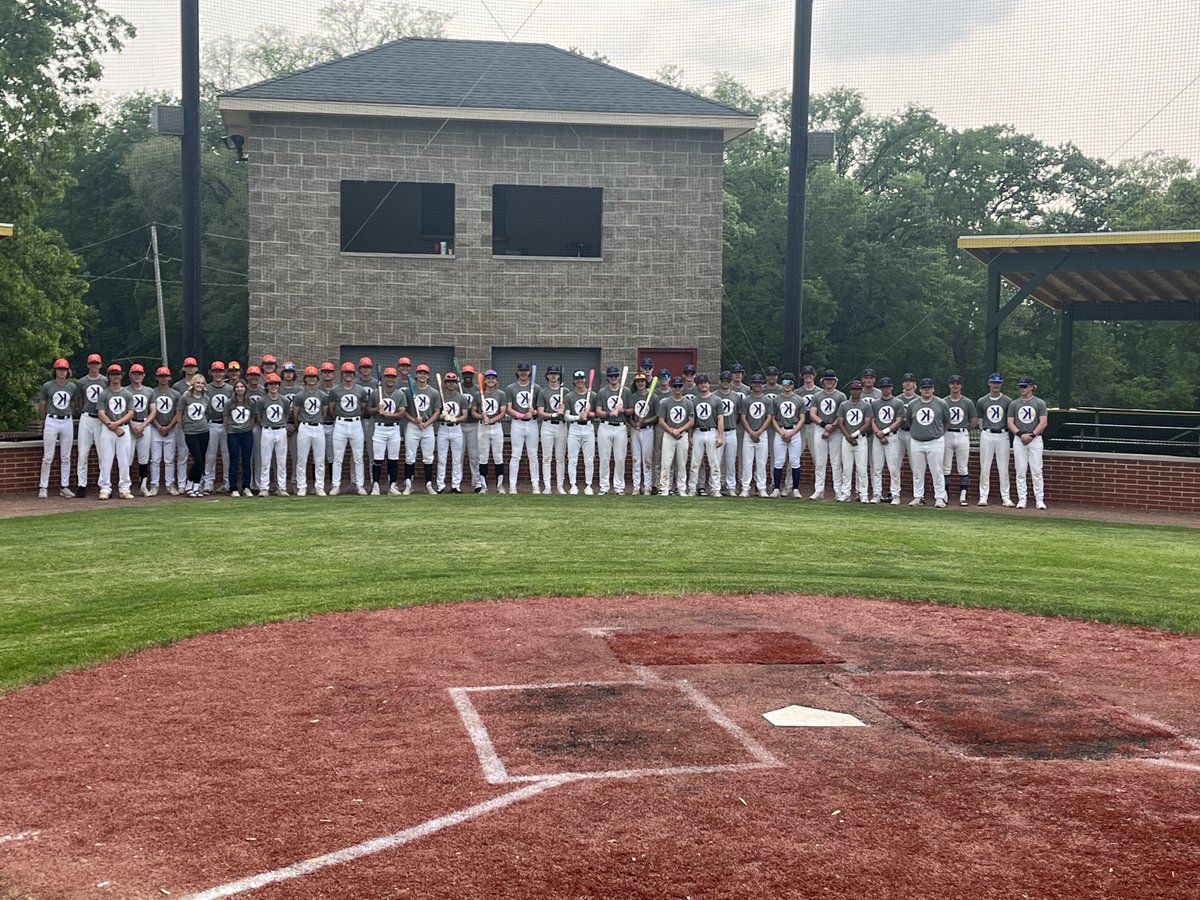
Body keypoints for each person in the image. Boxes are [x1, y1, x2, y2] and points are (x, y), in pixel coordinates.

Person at [906, 377, 951, 508]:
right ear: (919, 389)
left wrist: (939, 433)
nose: (927, 390)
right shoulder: (913, 404)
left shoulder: (941, 403)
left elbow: (946, 421)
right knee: (918, 471)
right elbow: (909, 421)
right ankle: (918, 496)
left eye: (929, 388)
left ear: (933, 389)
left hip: (935, 440)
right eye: (924, 388)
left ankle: (940, 498)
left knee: (937, 470)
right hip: (916, 440)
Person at [328, 361, 370, 496]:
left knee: (358, 457)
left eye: (350, 373)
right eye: (346, 373)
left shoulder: (360, 390)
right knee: (338, 457)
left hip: (356, 423)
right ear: (342, 374)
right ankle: (336, 485)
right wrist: (340, 418)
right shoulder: (335, 390)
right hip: (340, 423)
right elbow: (331, 409)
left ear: (354, 374)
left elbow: (363, 408)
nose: (348, 375)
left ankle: (360, 485)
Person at [95, 363, 136, 500]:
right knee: (106, 459)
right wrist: (111, 425)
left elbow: (131, 413)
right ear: (108, 376)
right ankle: (105, 488)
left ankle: (124, 488)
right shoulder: (104, 394)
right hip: (107, 428)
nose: (115, 376)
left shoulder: (127, 393)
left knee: (124, 460)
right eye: (113, 374)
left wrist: (117, 425)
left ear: (122, 375)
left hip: (123, 428)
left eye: (118, 374)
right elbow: (101, 413)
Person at [37, 358, 76, 499]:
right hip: (52, 419)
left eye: (64, 370)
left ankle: (64, 486)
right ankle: (43, 486)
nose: (61, 372)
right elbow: (42, 405)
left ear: (67, 372)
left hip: (66, 420)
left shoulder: (72, 387)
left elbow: (72, 404)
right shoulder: (47, 386)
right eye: (59, 369)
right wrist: (44, 420)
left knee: (66, 456)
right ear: (55, 371)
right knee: (48, 456)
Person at [1008, 376, 1048, 510]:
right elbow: (1010, 422)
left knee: (1036, 470)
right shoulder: (1014, 404)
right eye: (1020, 386)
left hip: (1035, 439)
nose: (1022, 389)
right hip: (1019, 439)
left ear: (1031, 387)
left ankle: (1039, 499)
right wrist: (1020, 434)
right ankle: (1022, 498)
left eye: (1024, 386)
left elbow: (1043, 422)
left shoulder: (1039, 403)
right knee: (1020, 470)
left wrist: (1032, 435)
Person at [976, 373, 1014, 507]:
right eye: (993, 382)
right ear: (989, 383)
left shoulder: (1007, 401)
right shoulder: (982, 401)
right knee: (985, 467)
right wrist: (985, 430)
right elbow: (979, 421)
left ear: (1001, 384)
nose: (996, 385)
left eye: (998, 383)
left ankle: (1006, 497)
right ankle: (983, 496)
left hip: (1002, 434)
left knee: (1003, 467)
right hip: (987, 433)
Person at [73, 352, 106, 498]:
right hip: (86, 417)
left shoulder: (105, 381)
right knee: (83, 452)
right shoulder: (81, 382)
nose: (94, 366)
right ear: (88, 365)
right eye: (92, 363)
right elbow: (79, 402)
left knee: (102, 453)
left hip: (100, 418)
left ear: (100, 365)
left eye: (96, 363)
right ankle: (81, 485)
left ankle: (103, 485)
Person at [809, 370, 846, 500]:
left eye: (831, 380)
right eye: (827, 380)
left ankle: (838, 490)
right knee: (820, 461)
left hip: (836, 431)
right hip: (820, 429)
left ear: (835, 381)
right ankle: (819, 490)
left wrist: (831, 428)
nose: (829, 382)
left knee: (836, 462)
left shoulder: (841, 396)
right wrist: (824, 425)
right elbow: (813, 414)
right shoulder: (817, 396)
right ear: (823, 381)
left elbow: (842, 415)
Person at [404, 363, 440, 494]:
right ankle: (408, 484)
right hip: (413, 427)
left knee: (428, 457)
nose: (422, 375)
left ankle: (429, 484)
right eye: (420, 373)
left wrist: (427, 423)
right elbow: (404, 411)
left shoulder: (433, 392)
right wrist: (414, 419)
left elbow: (437, 411)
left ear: (428, 376)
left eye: (424, 373)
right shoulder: (408, 391)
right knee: (409, 456)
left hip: (428, 427)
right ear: (416, 375)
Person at [942, 375, 978, 507]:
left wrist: (966, 429)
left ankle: (963, 494)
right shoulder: (944, 401)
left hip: (962, 434)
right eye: (953, 383)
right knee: (946, 466)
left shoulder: (967, 402)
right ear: (949, 385)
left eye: (957, 383)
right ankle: (945, 493)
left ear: (961, 385)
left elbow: (974, 420)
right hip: (948, 434)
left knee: (962, 466)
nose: (955, 386)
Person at [293, 365, 329, 497]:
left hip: (318, 426)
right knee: (302, 459)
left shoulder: (322, 395)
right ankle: (302, 486)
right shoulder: (300, 395)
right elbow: (295, 414)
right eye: (309, 377)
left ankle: (319, 486)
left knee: (319, 459)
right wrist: (301, 425)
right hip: (304, 426)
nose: (311, 379)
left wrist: (318, 421)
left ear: (317, 378)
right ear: (305, 379)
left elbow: (324, 413)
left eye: (314, 377)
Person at [595, 366, 631, 495]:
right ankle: (604, 487)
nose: (614, 378)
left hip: (621, 427)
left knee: (620, 458)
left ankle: (619, 487)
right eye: (611, 376)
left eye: (616, 376)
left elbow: (632, 410)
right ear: (607, 378)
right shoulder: (602, 392)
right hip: (605, 426)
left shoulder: (626, 391)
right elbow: (598, 411)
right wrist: (610, 413)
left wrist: (622, 410)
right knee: (604, 458)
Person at [506, 362, 541, 494]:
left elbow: (541, 409)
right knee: (515, 455)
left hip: (532, 424)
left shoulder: (536, 388)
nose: (523, 373)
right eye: (521, 371)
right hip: (517, 423)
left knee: (533, 455)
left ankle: (535, 485)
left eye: (526, 371)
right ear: (517, 372)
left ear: (529, 372)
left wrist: (534, 412)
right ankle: (512, 485)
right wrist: (522, 415)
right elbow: (509, 409)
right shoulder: (511, 388)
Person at [870, 377, 905, 505]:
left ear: (891, 388)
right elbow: (872, 420)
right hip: (877, 436)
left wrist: (884, 432)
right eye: (883, 387)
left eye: (888, 387)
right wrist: (878, 433)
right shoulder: (874, 403)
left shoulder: (898, 402)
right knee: (877, 467)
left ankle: (895, 494)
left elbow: (899, 420)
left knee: (893, 468)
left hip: (892, 437)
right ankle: (877, 493)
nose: (886, 389)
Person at [836, 380, 873, 503]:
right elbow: (840, 422)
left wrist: (855, 435)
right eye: (853, 389)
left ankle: (864, 494)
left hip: (861, 440)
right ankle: (845, 493)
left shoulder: (866, 406)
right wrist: (848, 436)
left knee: (862, 468)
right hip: (846, 439)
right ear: (850, 391)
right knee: (846, 468)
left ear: (861, 390)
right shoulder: (844, 405)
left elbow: (867, 423)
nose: (855, 391)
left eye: (858, 389)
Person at [657, 376, 694, 496]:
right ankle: (664, 488)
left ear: (682, 387)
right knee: (666, 463)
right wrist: (671, 431)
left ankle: (681, 488)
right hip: (668, 435)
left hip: (682, 435)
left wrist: (679, 430)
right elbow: (661, 420)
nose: (677, 388)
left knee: (682, 463)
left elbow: (691, 421)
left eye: (679, 386)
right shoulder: (665, 402)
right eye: (675, 386)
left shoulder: (688, 403)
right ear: (671, 387)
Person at [768, 373, 804, 498]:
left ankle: (795, 489)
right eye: (785, 382)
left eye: (790, 383)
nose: (787, 385)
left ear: (793, 385)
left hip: (794, 431)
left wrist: (792, 433)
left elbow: (802, 418)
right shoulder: (776, 399)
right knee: (778, 461)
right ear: (781, 383)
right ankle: (776, 488)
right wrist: (781, 432)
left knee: (795, 461)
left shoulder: (799, 400)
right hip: (781, 431)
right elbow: (772, 418)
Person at [370, 366, 404, 495]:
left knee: (393, 459)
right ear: (384, 378)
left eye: (393, 377)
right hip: (379, 428)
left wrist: (388, 414)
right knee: (378, 459)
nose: (390, 379)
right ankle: (376, 485)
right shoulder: (375, 393)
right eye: (388, 377)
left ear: (396, 379)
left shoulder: (399, 394)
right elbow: (367, 410)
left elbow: (401, 413)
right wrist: (376, 410)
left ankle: (392, 486)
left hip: (394, 428)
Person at [687, 374, 723, 497]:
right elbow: (691, 421)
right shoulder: (693, 401)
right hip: (698, 432)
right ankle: (692, 488)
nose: (704, 385)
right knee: (695, 463)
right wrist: (690, 436)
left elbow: (720, 419)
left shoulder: (716, 400)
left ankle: (715, 489)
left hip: (712, 431)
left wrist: (720, 436)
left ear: (709, 384)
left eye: (705, 382)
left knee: (714, 463)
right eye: (701, 383)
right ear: (697, 385)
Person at [739, 374, 773, 498]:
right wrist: (751, 432)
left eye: (759, 383)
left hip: (762, 434)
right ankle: (745, 488)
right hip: (748, 434)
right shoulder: (746, 400)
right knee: (747, 462)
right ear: (751, 384)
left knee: (761, 462)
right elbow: (743, 417)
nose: (757, 385)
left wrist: (759, 432)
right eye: (755, 383)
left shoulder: (767, 400)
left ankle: (762, 488)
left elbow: (769, 417)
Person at [148, 366, 180, 496]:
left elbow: (177, 413)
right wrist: (159, 426)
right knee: (155, 459)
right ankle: (154, 484)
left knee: (169, 459)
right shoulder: (152, 393)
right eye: (161, 376)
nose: (163, 378)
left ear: (169, 377)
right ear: (157, 378)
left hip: (171, 428)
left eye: (165, 376)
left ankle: (170, 484)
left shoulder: (175, 394)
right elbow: (150, 412)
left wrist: (168, 427)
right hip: (155, 427)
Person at [474, 369, 508, 493]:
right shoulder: (478, 394)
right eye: (488, 378)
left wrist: (492, 420)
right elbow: (473, 412)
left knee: (498, 456)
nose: (490, 380)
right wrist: (482, 416)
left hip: (496, 427)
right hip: (482, 427)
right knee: (483, 457)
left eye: (493, 378)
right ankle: (484, 486)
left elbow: (503, 412)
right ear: (485, 381)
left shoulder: (501, 394)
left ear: (496, 380)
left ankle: (499, 486)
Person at [257, 372, 291, 497]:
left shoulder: (284, 400)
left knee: (281, 461)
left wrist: (282, 424)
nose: (273, 386)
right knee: (265, 461)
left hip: (281, 430)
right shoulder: (262, 400)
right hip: (267, 430)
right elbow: (258, 416)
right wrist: (265, 424)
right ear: (267, 386)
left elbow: (287, 415)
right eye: (271, 384)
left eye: (276, 384)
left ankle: (282, 487)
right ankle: (264, 488)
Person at [435, 371, 469, 493]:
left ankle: (456, 485)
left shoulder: (461, 398)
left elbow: (464, 416)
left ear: (456, 383)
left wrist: (454, 418)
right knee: (442, 458)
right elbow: (435, 415)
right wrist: (441, 416)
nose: (451, 384)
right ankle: (440, 485)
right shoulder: (440, 396)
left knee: (457, 459)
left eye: (453, 382)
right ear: (444, 383)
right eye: (448, 381)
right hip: (443, 428)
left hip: (456, 429)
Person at [537, 365, 568, 495]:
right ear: (547, 376)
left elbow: (569, 411)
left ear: (559, 376)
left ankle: (560, 486)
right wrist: (554, 414)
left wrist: (563, 411)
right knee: (546, 457)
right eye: (551, 374)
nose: (554, 376)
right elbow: (540, 413)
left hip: (561, 426)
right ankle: (548, 486)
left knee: (560, 457)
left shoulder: (565, 391)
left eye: (556, 374)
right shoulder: (543, 392)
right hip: (547, 425)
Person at [564, 370, 596, 495]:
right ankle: (573, 485)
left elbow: (597, 413)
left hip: (588, 428)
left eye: (582, 378)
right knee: (572, 459)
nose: (580, 381)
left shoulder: (592, 395)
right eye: (577, 379)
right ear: (573, 381)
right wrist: (578, 417)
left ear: (585, 380)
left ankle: (588, 485)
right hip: (574, 428)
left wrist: (589, 414)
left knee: (589, 459)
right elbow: (566, 416)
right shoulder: (569, 396)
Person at [202, 361, 232, 493]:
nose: (218, 374)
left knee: (227, 455)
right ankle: (208, 482)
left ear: (224, 372)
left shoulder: (230, 389)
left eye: (220, 371)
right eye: (215, 371)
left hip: (226, 425)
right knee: (210, 455)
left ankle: (227, 482)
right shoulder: (206, 389)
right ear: (211, 373)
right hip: (212, 423)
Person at [126, 364, 156, 496]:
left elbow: (153, 411)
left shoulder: (149, 391)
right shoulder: (125, 391)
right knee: (127, 457)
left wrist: (143, 425)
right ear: (130, 375)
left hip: (144, 425)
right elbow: (123, 411)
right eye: (134, 373)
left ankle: (143, 485)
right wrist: (132, 425)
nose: (137, 376)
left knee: (144, 457)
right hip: (129, 426)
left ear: (143, 375)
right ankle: (126, 485)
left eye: (139, 374)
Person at [223, 379, 256, 497]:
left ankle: (246, 486)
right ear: (234, 389)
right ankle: (233, 487)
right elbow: (225, 418)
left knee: (246, 460)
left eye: (242, 387)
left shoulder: (250, 402)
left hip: (246, 433)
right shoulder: (229, 402)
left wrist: (248, 428)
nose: (240, 389)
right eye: (237, 387)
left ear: (245, 389)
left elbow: (252, 418)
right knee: (234, 460)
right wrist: (231, 429)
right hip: (233, 434)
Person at [171, 357, 199, 492]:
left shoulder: (200, 384)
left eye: (193, 366)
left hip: (198, 425)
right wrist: (180, 424)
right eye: (188, 366)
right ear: (183, 368)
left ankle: (197, 482)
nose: (190, 369)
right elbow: (176, 409)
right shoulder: (178, 386)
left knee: (198, 456)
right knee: (182, 454)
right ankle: (181, 484)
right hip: (183, 424)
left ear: (197, 368)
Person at [180, 374, 211, 497]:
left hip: (203, 431)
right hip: (190, 432)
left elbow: (207, 414)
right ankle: (189, 484)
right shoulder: (185, 397)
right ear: (193, 384)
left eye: (202, 383)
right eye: (198, 383)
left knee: (202, 459)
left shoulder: (206, 398)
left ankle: (196, 487)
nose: (200, 385)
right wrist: (184, 426)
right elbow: (179, 413)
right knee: (197, 459)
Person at [627, 370, 657, 495]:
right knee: (636, 459)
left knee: (647, 459)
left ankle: (647, 486)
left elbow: (657, 416)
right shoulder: (632, 396)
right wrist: (634, 424)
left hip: (648, 430)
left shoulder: (653, 397)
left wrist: (645, 421)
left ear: (646, 383)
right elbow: (628, 415)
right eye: (638, 382)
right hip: (635, 430)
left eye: (642, 381)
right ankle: (636, 486)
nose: (640, 384)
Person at [715, 371, 740, 497]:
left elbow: (739, 414)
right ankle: (717, 486)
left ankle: (731, 487)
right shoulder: (714, 396)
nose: (726, 383)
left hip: (731, 430)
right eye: (723, 380)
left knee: (731, 461)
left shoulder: (736, 396)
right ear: (719, 381)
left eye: (728, 381)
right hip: (718, 432)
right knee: (717, 461)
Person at [460, 365, 483, 491]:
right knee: (459, 455)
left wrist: (471, 408)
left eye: (470, 374)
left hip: (474, 424)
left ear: (473, 375)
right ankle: (457, 482)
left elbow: (480, 407)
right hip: (460, 425)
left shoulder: (478, 389)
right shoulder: (458, 388)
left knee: (474, 455)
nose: (468, 376)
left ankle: (477, 482)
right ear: (462, 375)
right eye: (465, 374)